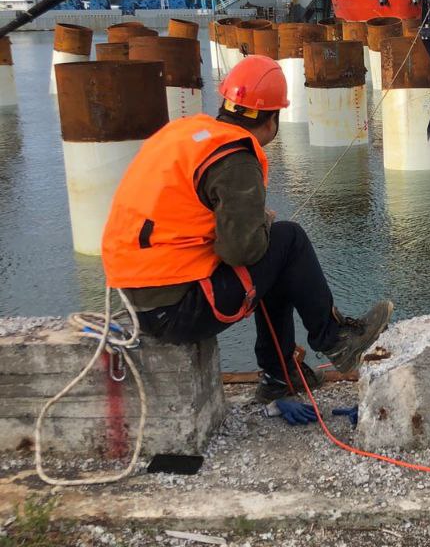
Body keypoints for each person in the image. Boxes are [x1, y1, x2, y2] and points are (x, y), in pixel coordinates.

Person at [101, 55, 393, 401]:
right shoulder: (235, 157)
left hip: (142, 301)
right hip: (177, 311)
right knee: (289, 240)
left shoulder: (183, 134)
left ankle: (279, 375)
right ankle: (335, 340)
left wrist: (252, 225)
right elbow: (241, 251)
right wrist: (260, 225)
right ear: (273, 118)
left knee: (275, 251)